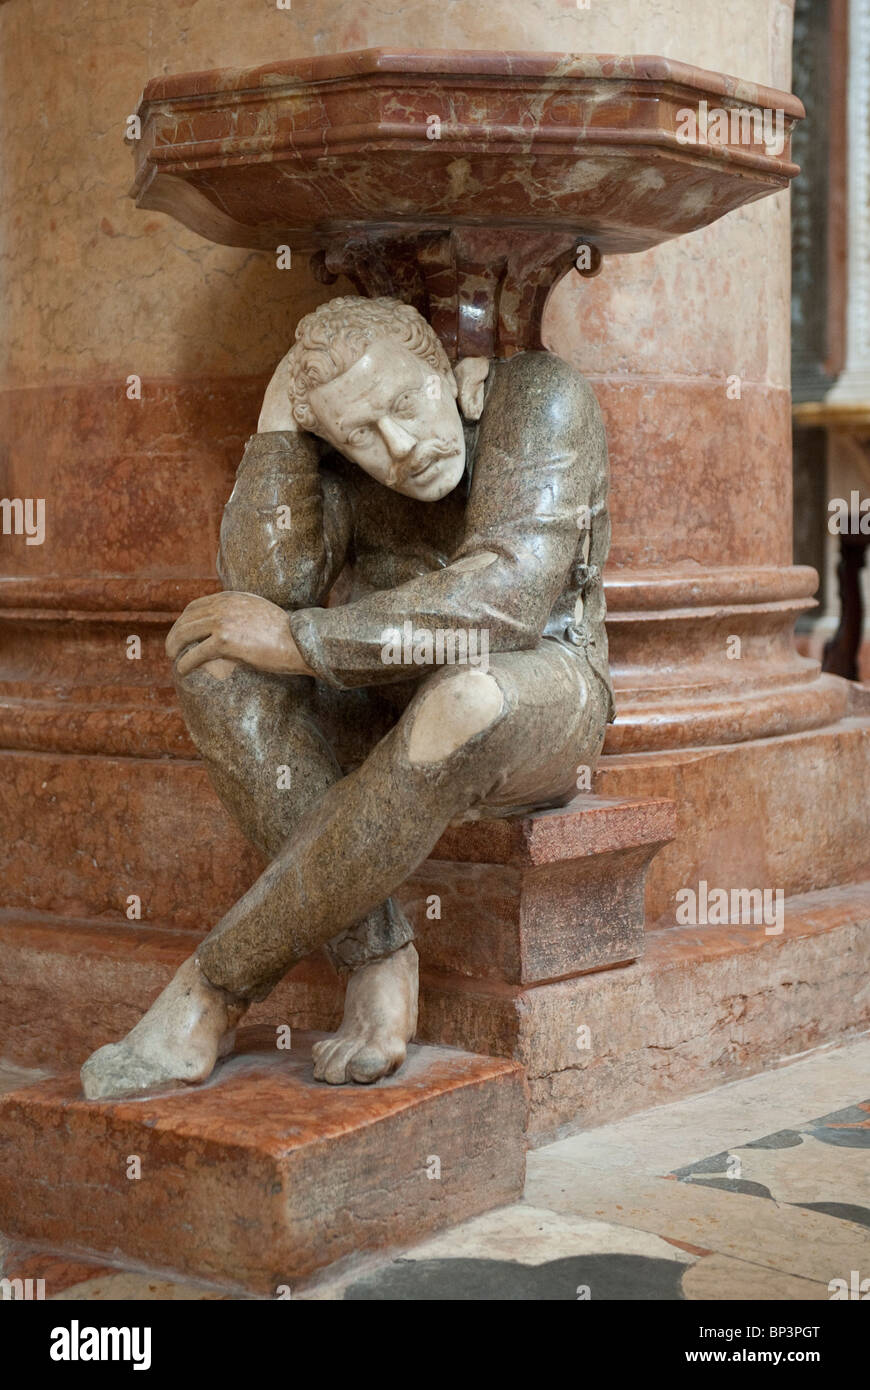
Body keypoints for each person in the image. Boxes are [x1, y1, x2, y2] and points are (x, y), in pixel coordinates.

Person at [81, 296, 614, 1100]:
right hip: (384, 694)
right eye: (363, 434)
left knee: (462, 699)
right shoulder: (334, 454)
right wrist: (278, 429)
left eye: (405, 404)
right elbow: (261, 592)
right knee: (217, 663)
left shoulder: (540, 395)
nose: (399, 449)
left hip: (542, 685)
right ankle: (376, 957)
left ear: (445, 367)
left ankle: (214, 989)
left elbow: (509, 594)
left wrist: (306, 642)